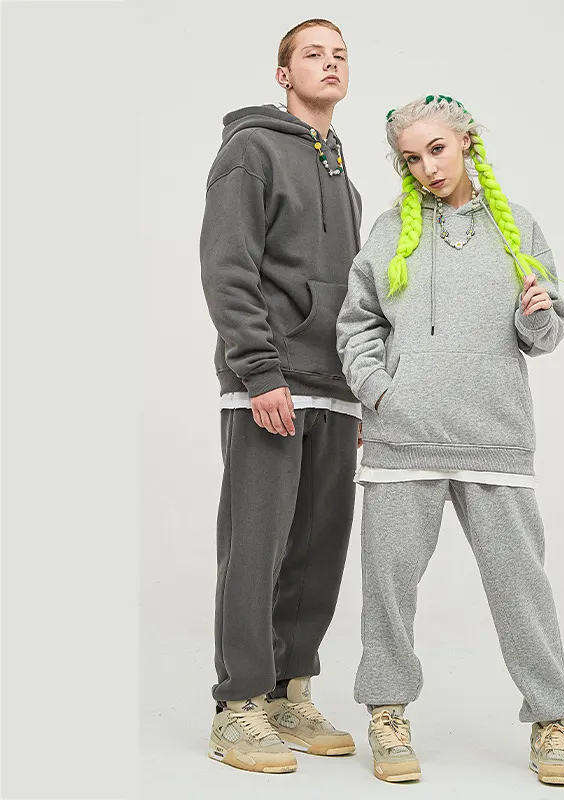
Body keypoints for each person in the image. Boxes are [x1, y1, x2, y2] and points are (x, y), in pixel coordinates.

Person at [336, 94, 564, 786]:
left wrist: (537, 312)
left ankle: (553, 718)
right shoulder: (390, 232)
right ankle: (387, 713)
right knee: (388, 591)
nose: (426, 167)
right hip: (401, 443)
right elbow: (357, 324)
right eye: (411, 158)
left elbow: (545, 334)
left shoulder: (517, 226)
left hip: (493, 438)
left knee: (520, 588)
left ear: (467, 141)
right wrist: (381, 392)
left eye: (436, 149)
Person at [199, 19, 363, 773]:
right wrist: (260, 372)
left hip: (334, 390)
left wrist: (358, 389)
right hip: (270, 384)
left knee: (316, 551)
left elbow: (357, 295)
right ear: (283, 74)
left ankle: (289, 693)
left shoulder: (345, 175)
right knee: (256, 549)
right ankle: (238, 707)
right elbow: (228, 267)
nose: (329, 64)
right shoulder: (251, 152)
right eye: (313, 54)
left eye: (340, 55)